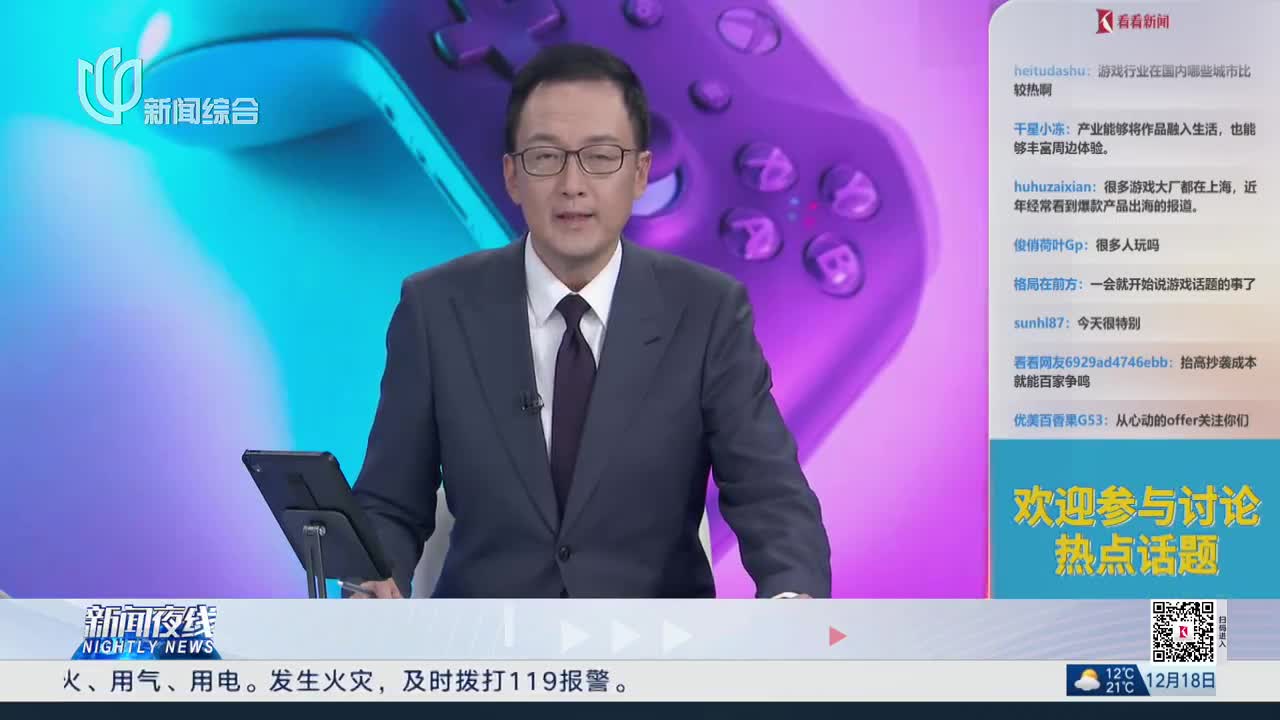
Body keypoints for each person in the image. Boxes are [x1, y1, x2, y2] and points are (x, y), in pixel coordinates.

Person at [350, 43, 830, 599]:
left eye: (601, 157)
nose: (572, 184)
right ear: (512, 175)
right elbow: (390, 502)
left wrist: (792, 599)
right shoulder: (435, 308)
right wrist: (373, 577)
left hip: (655, 643)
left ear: (641, 174)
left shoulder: (707, 310)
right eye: (545, 157)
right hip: (489, 643)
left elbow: (770, 493)